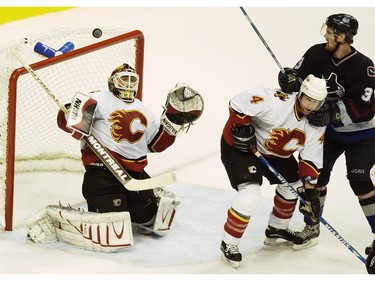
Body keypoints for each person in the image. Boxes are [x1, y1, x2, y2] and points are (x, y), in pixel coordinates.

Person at [24, 63, 204, 252]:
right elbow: (65, 121)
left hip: (135, 175)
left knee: (149, 218)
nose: (128, 84)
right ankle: (56, 220)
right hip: (102, 171)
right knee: (113, 227)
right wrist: (70, 114)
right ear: (113, 81)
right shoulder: (99, 98)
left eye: (132, 79)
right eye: (123, 79)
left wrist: (171, 126)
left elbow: (155, 146)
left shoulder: (145, 111)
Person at [277, 13, 375, 274]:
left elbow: (364, 109)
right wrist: (289, 80)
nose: (325, 35)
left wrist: (332, 111)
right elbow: (299, 79)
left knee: (362, 181)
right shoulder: (317, 53)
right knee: (314, 176)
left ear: (342, 37)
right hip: (327, 133)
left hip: (362, 135)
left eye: (330, 32)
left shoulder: (364, 66)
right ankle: (312, 225)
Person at [219, 74, 328, 268]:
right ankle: (229, 243)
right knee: (250, 194)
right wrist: (241, 128)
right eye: (308, 99)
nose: (311, 106)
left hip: (276, 154)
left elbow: (310, 158)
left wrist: (310, 192)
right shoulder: (279, 102)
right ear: (300, 94)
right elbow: (238, 103)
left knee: (294, 187)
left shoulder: (317, 124)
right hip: (242, 148)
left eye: (316, 102)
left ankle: (276, 228)